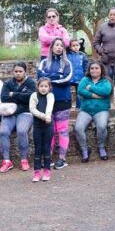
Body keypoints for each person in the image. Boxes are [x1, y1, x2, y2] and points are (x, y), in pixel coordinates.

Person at [37, 38, 73, 169]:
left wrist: (50, 78)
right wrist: (57, 76)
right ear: (51, 47)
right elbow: (40, 77)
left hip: (63, 101)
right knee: (50, 130)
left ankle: (62, 159)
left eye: (61, 46)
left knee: (62, 130)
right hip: (46, 101)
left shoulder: (67, 63)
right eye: (56, 45)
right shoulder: (44, 62)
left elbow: (67, 79)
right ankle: (48, 158)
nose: (59, 47)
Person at [0, 62, 37, 173]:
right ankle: (6, 161)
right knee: (3, 132)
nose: (18, 73)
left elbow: (31, 97)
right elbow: (4, 98)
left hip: (25, 113)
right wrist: (21, 97)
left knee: (21, 131)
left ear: (25, 72)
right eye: (16, 71)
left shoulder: (30, 82)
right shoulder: (7, 83)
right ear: (13, 72)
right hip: (9, 112)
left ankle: (24, 159)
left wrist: (14, 95)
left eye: (20, 71)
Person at [74, 61, 112, 163]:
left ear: (101, 70)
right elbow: (80, 91)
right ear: (89, 70)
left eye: (96, 68)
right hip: (86, 110)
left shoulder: (105, 81)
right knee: (78, 128)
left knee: (102, 126)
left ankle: (101, 146)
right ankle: (85, 150)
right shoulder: (85, 79)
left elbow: (106, 91)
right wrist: (94, 95)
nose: (94, 70)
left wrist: (91, 88)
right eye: (92, 68)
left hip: (101, 110)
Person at [93, 7, 115, 84]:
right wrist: (101, 51)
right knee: (106, 83)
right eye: (110, 14)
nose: (112, 16)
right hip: (106, 61)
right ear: (108, 16)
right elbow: (96, 42)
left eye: (114, 14)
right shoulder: (102, 27)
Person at [29, 78, 55, 182]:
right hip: (37, 126)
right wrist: (44, 117)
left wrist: (47, 116)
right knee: (38, 149)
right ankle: (37, 172)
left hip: (48, 126)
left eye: (46, 86)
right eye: (41, 86)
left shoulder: (50, 96)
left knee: (46, 148)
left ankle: (47, 171)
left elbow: (49, 107)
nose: (43, 88)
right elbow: (32, 109)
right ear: (37, 87)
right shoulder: (34, 96)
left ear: (49, 88)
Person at [67, 39, 88, 108]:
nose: (75, 47)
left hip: (80, 77)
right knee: (68, 92)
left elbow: (86, 66)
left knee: (79, 93)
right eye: (73, 46)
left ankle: (79, 107)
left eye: (77, 45)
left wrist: (85, 75)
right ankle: (68, 106)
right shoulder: (67, 55)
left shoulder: (83, 55)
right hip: (69, 77)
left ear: (79, 46)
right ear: (70, 47)